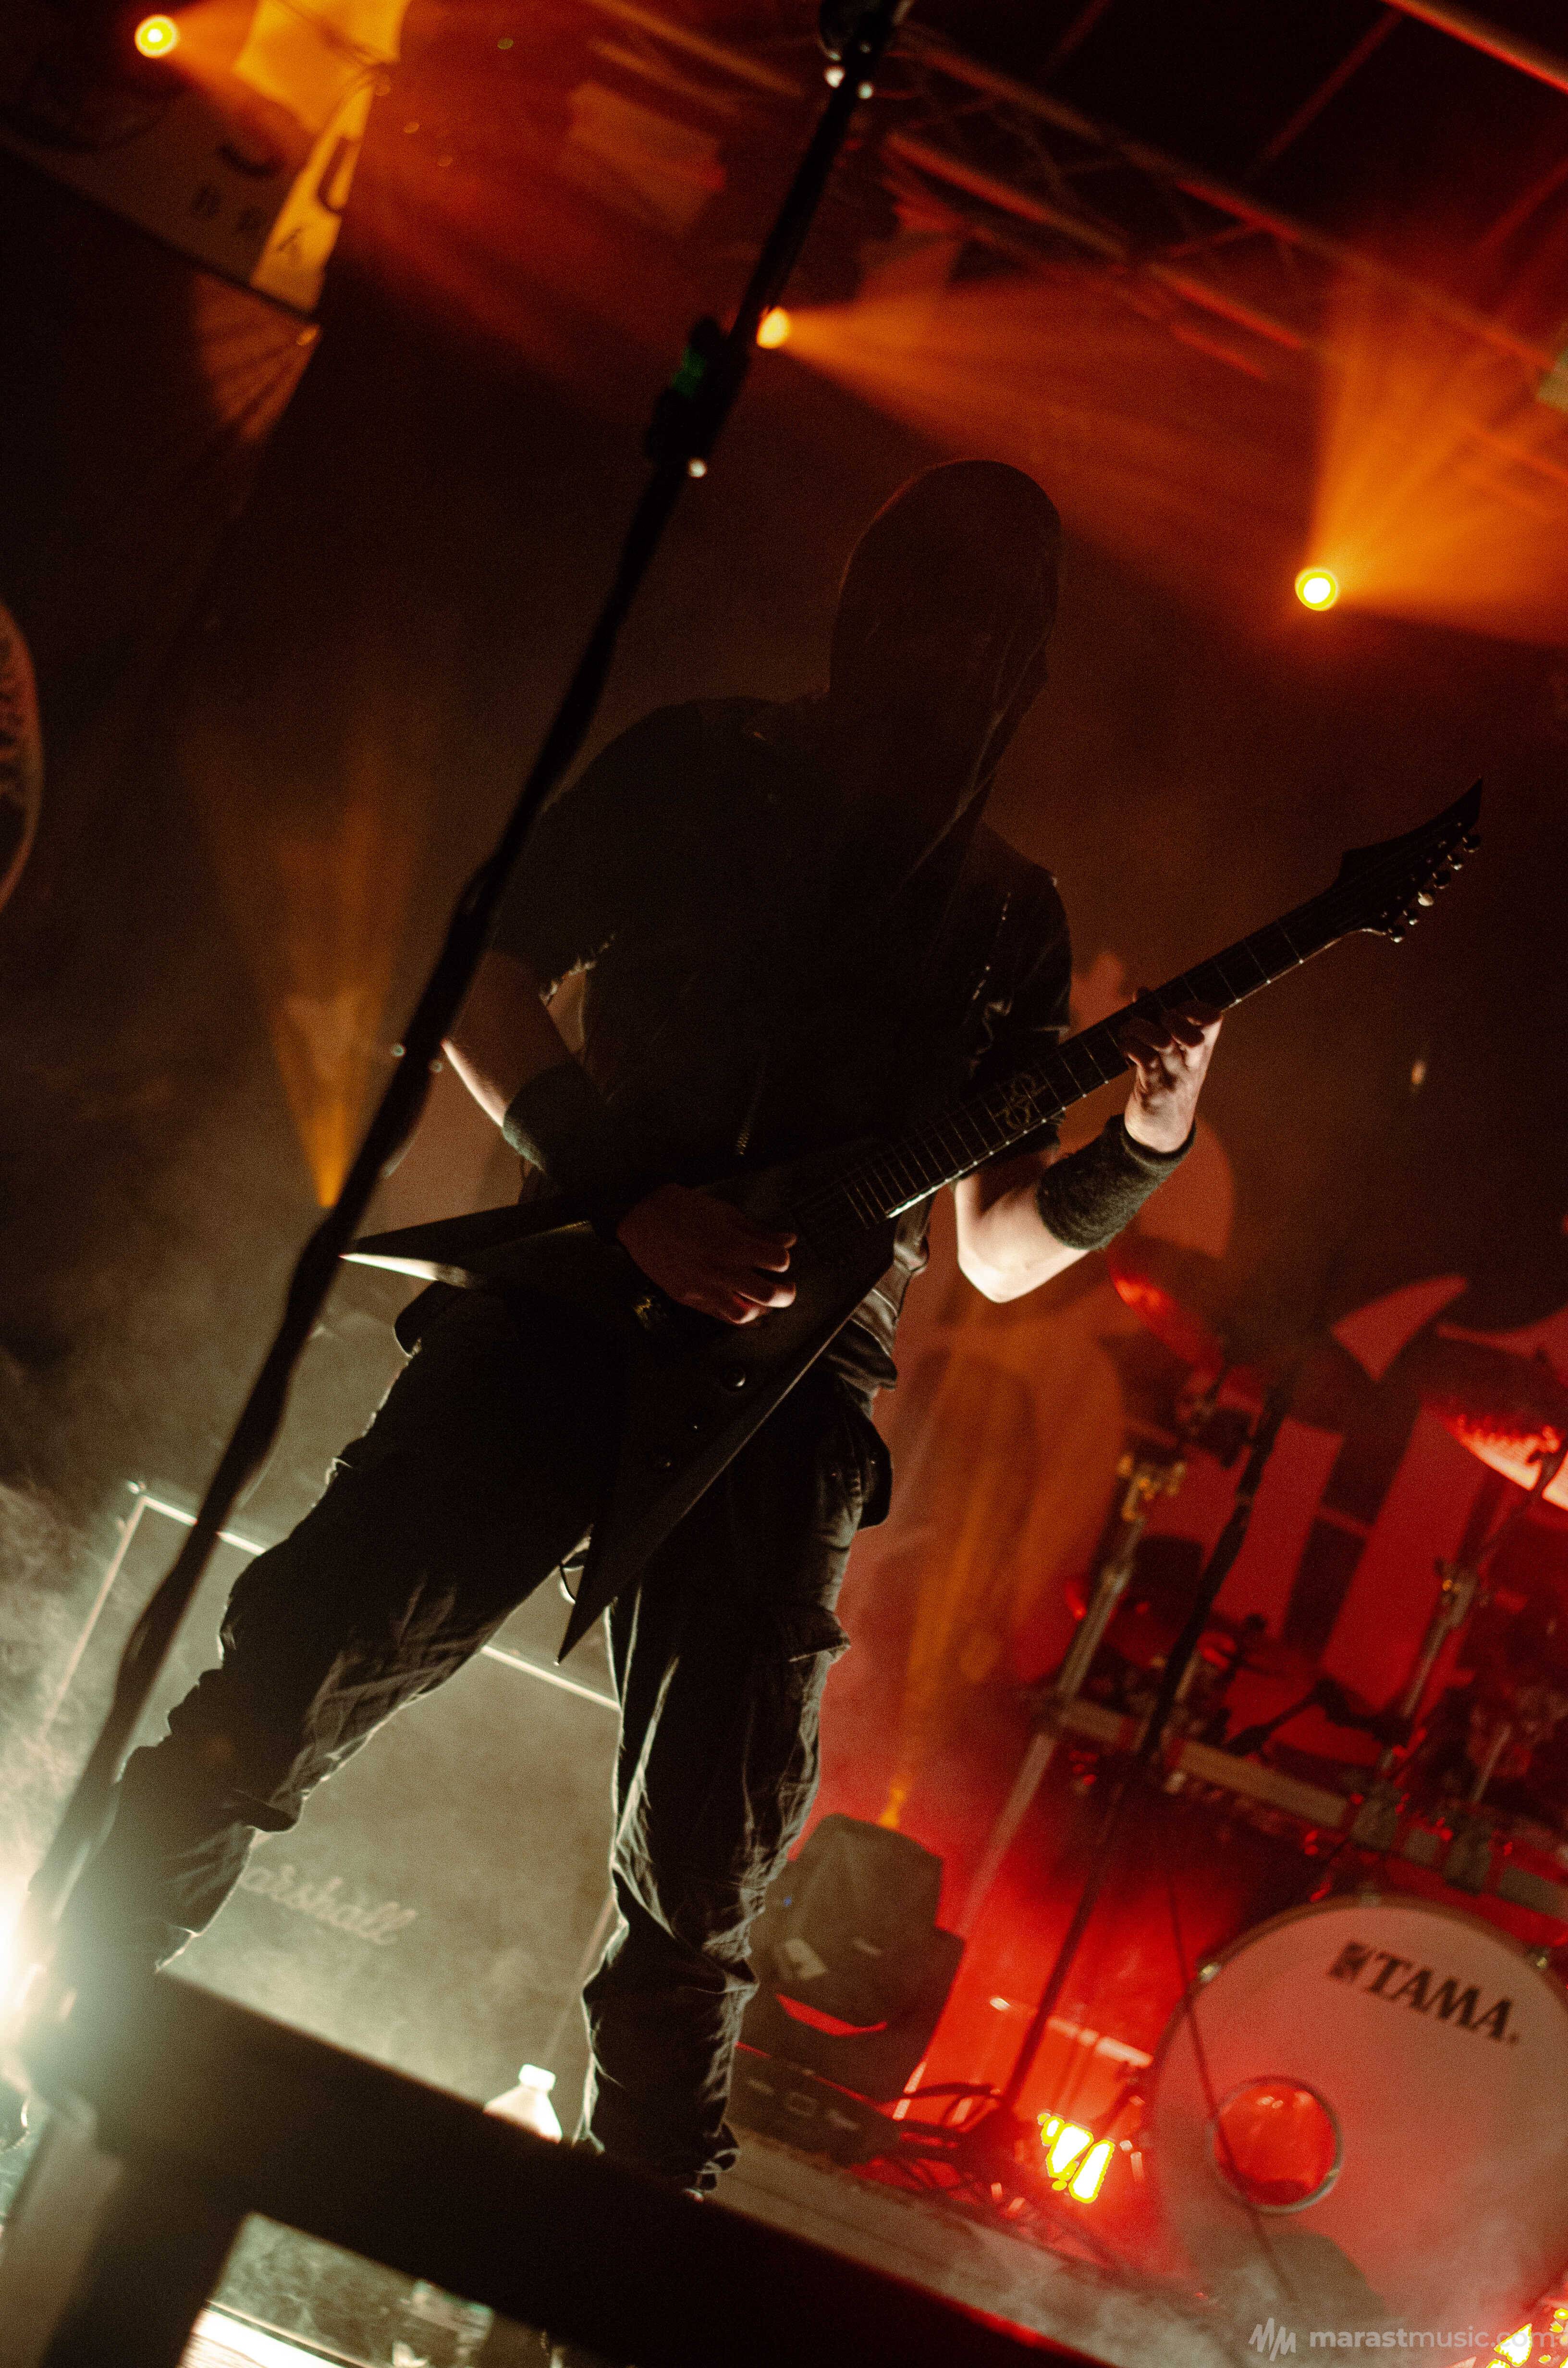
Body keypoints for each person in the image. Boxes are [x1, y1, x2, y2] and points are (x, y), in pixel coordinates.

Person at [48, 463, 1220, 2221]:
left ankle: (624, 2282)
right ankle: (50, 2084)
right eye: (930, 607)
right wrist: (626, 1197)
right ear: (867, 602)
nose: (953, 658)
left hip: (785, 1405)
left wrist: (1147, 1141)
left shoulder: (1009, 915)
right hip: (574, 1307)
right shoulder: (704, 765)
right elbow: (482, 975)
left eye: (993, 632)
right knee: (284, 1681)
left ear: (1028, 665)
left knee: (698, 1898)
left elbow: (986, 1247)